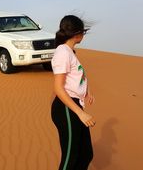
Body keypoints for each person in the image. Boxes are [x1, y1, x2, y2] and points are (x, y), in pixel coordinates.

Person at [51, 15, 95, 170]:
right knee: (71, 158)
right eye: (83, 32)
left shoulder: (69, 52)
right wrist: (80, 113)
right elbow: (58, 88)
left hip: (74, 106)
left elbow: (75, 78)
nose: (83, 35)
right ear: (77, 34)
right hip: (67, 108)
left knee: (86, 154)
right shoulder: (63, 52)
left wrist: (87, 91)